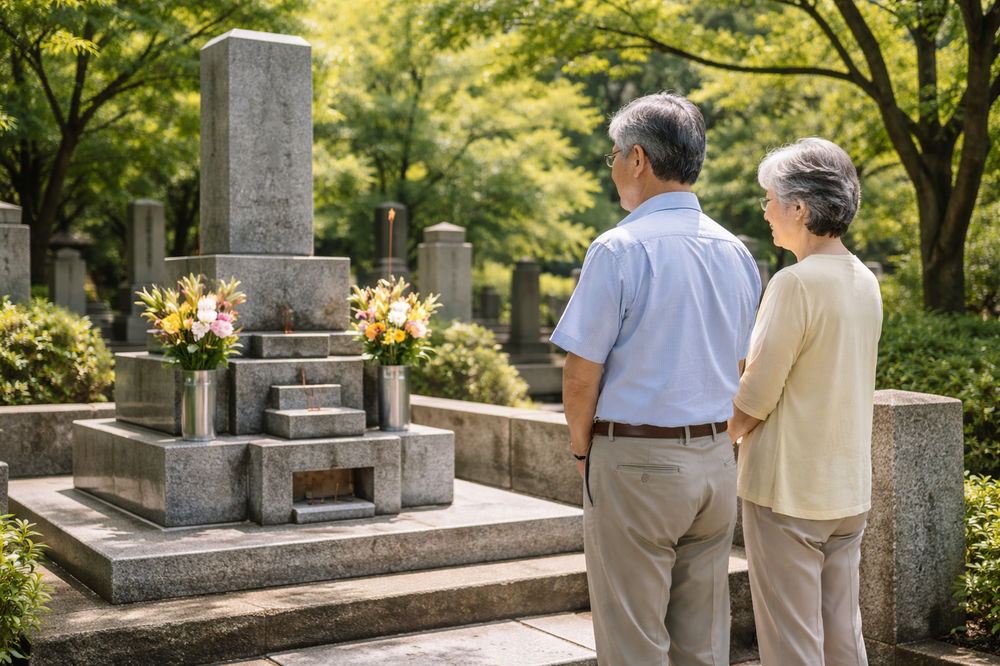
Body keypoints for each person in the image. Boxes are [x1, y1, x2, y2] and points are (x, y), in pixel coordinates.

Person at [551, 92, 761, 666]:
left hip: (638, 460)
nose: (613, 166)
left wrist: (580, 452)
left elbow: (579, 375)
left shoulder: (618, 248)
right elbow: (742, 365)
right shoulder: (738, 253)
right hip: (716, 460)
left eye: (614, 155)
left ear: (637, 158)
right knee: (703, 640)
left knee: (633, 641)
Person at [728, 138, 882, 666]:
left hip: (788, 491)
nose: (765, 211)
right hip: (846, 490)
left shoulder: (794, 283)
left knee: (791, 645)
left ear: (799, 207)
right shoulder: (865, 279)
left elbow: (755, 398)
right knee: (843, 635)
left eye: (770, 199)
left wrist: (709, 440)